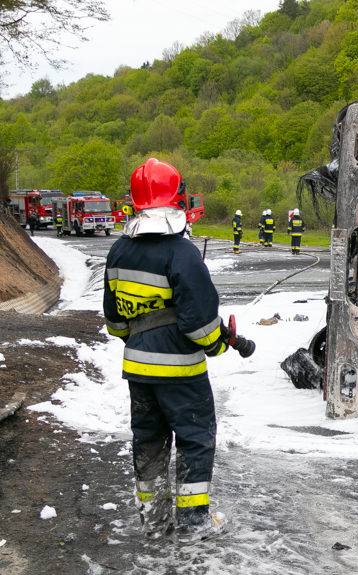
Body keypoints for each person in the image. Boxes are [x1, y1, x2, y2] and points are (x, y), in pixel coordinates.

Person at [102, 158, 233, 541]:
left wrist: (142, 342)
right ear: (176, 198)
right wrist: (220, 345)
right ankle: (193, 523)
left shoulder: (118, 252)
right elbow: (201, 326)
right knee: (195, 440)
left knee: (148, 441)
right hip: (181, 374)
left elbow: (115, 322)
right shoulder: (182, 253)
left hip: (138, 372)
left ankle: (154, 520)